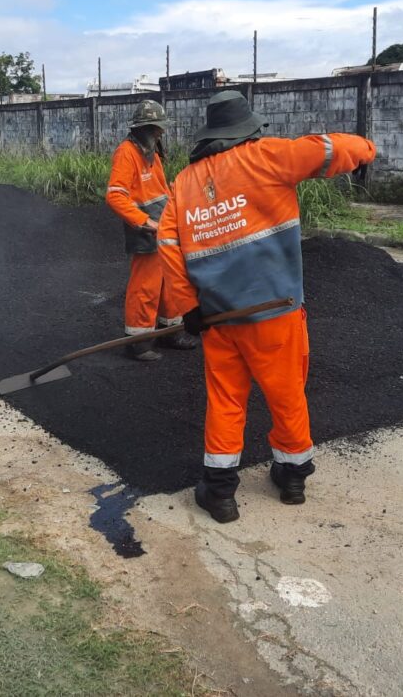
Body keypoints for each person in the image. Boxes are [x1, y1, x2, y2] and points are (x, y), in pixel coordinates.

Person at [157, 91, 377, 523]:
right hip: (275, 312)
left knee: (224, 400)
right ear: (249, 129)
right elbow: (332, 148)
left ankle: (219, 492)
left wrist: (189, 307)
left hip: (218, 317)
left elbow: (167, 244)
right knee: (286, 393)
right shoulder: (269, 156)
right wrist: (366, 151)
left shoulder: (183, 183)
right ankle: (293, 477)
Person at [105, 99, 198, 361]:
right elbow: (115, 196)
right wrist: (145, 222)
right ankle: (139, 342)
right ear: (144, 128)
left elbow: (160, 189)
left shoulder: (152, 153)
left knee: (170, 281)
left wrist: (174, 211)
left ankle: (171, 330)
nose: (161, 132)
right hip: (145, 230)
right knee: (145, 286)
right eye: (157, 128)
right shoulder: (127, 153)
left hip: (164, 227)